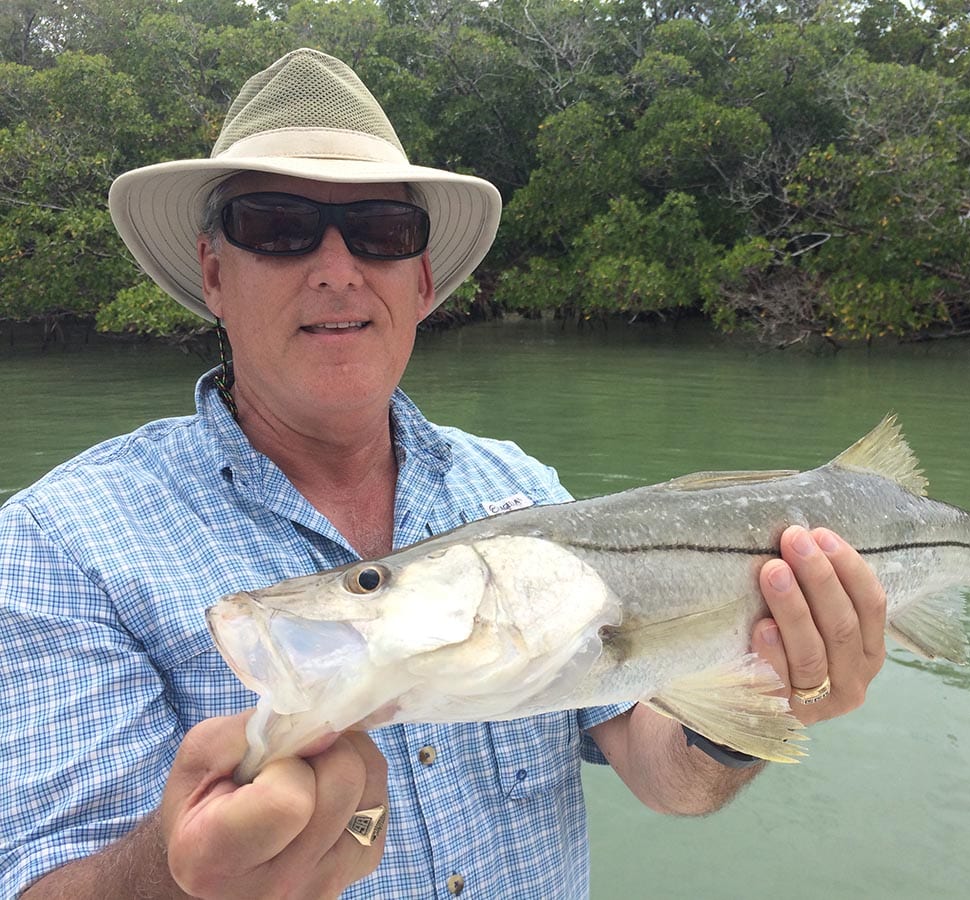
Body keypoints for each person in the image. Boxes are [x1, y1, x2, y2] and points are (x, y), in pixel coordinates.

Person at [0, 49, 887, 899]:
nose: (339, 270)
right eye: (277, 227)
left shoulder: (520, 488)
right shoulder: (56, 543)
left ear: (421, 281)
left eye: (383, 232)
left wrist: (757, 702)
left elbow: (665, 776)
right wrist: (174, 876)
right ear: (213, 274)